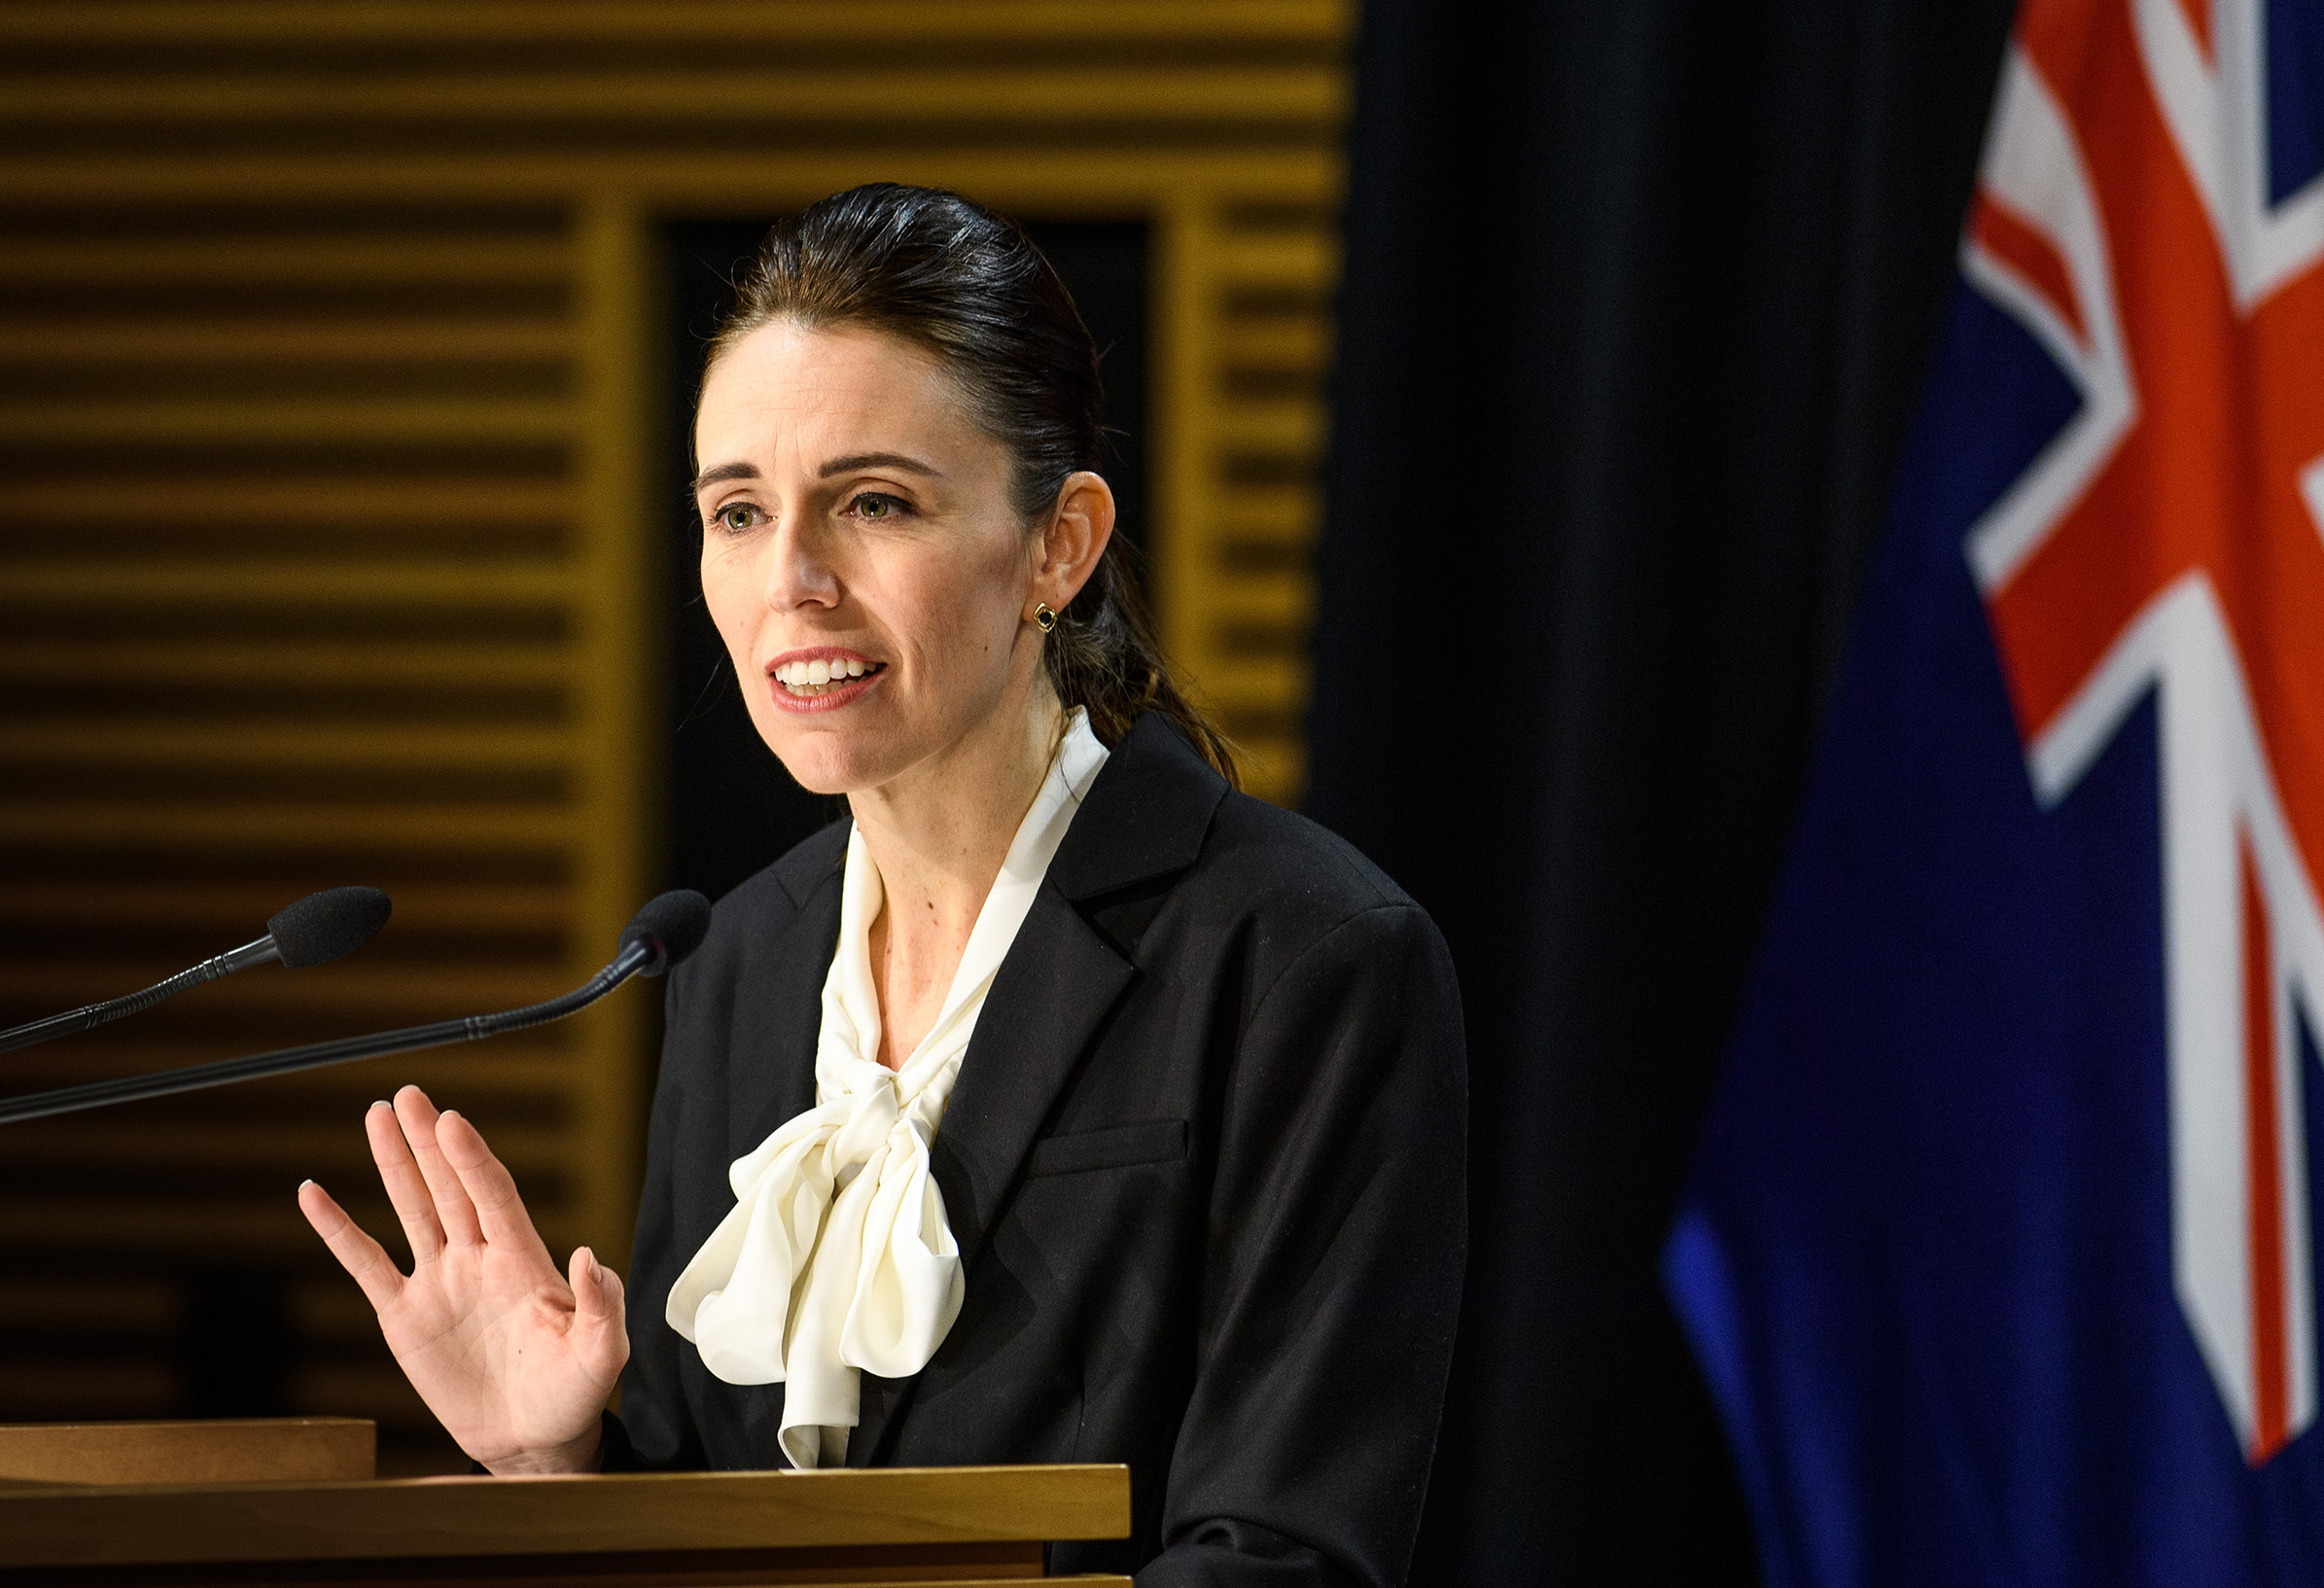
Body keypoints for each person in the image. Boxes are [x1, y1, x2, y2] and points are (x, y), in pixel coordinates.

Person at [298, 183, 1466, 1586]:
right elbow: (724, 1520)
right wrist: (567, 1466)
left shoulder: (1305, 955)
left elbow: (1291, 1556)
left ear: (1060, 545)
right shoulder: (737, 961)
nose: (792, 580)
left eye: (873, 503)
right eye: (737, 513)